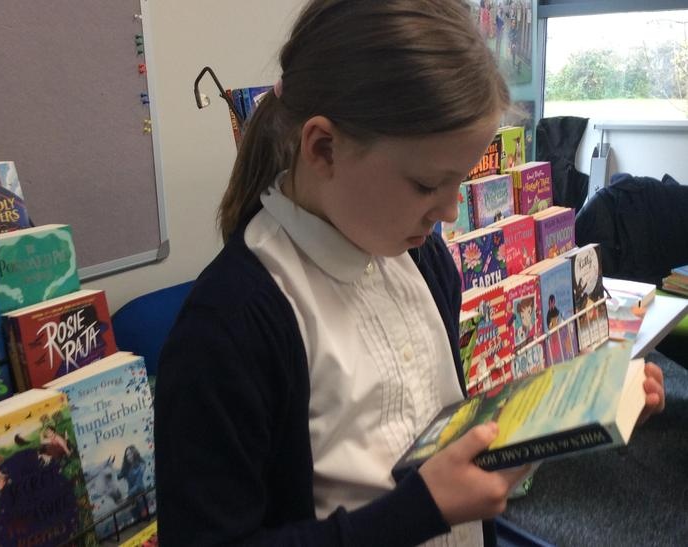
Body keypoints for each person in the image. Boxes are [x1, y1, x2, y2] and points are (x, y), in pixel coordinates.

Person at [155, 1, 665, 545]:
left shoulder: (423, 260)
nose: (448, 211)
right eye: (426, 185)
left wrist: (570, 414)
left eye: (460, 181)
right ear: (324, 149)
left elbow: (442, 431)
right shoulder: (230, 325)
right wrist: (418, 510)